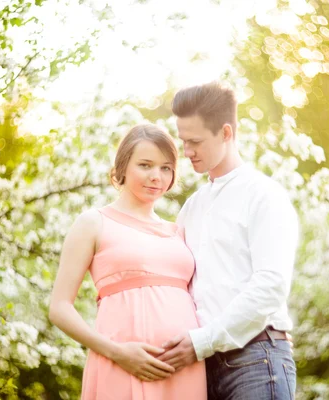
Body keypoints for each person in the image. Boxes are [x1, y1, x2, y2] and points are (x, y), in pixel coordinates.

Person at [158, 82, 299, 400]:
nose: (187, 152)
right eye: (183, 141)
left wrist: (201, 342)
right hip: (201, 368)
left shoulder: (264, 195)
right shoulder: (191, 208)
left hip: (256, 358)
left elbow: (270, 286)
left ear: (225, 133)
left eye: (195, 141)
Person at [48, 124, 207, 400]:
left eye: (166, 168)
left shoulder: (179, 231)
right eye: (145, 165)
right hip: (122, 363)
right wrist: (117, 352)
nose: (156, 177)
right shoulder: (93, 222)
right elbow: (59, 308)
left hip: (183, 368)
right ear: (122, 167)